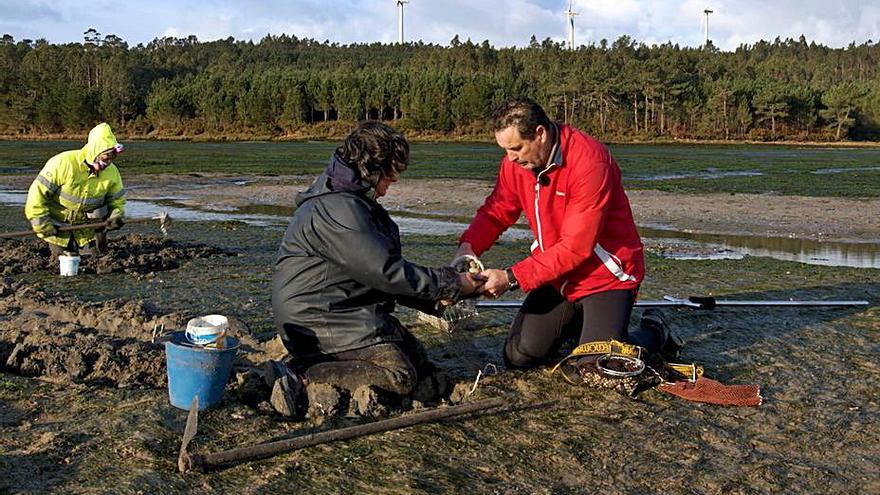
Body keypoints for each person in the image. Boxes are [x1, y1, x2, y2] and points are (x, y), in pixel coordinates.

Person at [269, 121, 483, 416]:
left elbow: (380, 275)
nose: (388, 187)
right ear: (372, 170)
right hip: (319, 317)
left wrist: (441, 295)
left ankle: (316, 364)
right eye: (389, 178)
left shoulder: (347, 201)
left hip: (341, 307)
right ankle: (306, 373)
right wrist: (452, 284)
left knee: (418, 358)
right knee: (401, 374)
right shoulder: (338, 208)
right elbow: (385, 271)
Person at [454, 98, 675, 380]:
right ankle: (579, 324)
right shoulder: (516, 165)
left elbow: (575, 247)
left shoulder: (590, 162)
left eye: (516, 148)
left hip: (603, 277)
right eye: (505, 150)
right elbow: (496, 212)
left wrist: (510, 278)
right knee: (519, 355)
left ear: (539, 134)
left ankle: (655, 331)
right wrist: (467, 247)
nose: (510, 158)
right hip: (556, 275)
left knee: (598, 370)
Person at [25, 122, 126, 258]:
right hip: (58, 226)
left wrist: (116, 215)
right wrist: (39, 221)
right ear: (95, 152)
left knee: (96, 260)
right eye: (106, 157)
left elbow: (117, 200)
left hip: (88, 228)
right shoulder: (63, 163)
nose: (109, 162)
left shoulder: (112, 172)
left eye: (113, 157)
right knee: (61, 261)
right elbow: (37, 194)